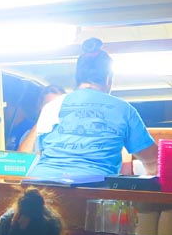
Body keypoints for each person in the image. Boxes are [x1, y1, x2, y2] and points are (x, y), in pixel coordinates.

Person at [26, 37, 158, 181]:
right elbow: (152, 159)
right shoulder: (123, 109)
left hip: (40, 186)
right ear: (108, 79)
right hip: (91, 190)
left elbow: (39, 152)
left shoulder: (51, 107)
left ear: (77, 78)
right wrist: (151, 175)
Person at [11, 84, 66, 153]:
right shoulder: (30, 134)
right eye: (49, 105)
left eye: (57, 105)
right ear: (41, 106)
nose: (53, 108)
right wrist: (41, 122)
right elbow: (22, 157)